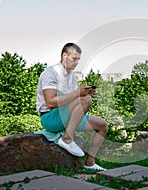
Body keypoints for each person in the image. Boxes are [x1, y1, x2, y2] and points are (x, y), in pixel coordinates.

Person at [36, 43, 108, 171]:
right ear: (64, 56)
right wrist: (78, 94)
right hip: (50, 118)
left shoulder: (72, 77)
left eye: (78, 60)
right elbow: (50, 103)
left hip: (67, 116)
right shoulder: (50, 73)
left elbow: (75, 102)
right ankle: (67, 139)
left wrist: (84, 93)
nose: (76, 63)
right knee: (85, 99)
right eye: (74, 59)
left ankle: (90, 163)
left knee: (102, 125)